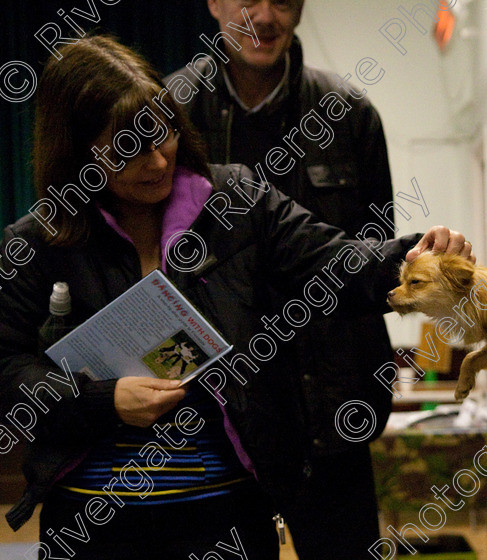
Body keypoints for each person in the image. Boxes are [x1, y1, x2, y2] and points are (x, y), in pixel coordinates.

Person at [0, 35, 471, 560]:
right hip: (92, 522)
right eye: (127, 149)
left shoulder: (234, 202)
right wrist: (101, 401)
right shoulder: (37, 242)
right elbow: (6, 368)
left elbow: (335, 265)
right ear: (77, 152)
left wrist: (414, 257)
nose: (157, 161)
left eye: (163, 133)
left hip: (226, 514)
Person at [165, 2, 398, 555]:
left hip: (331, 412)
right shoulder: (171, 111)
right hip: (215, 419)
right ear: (214, 2)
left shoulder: (349, 113)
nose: (265, 16)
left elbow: (369, 264)